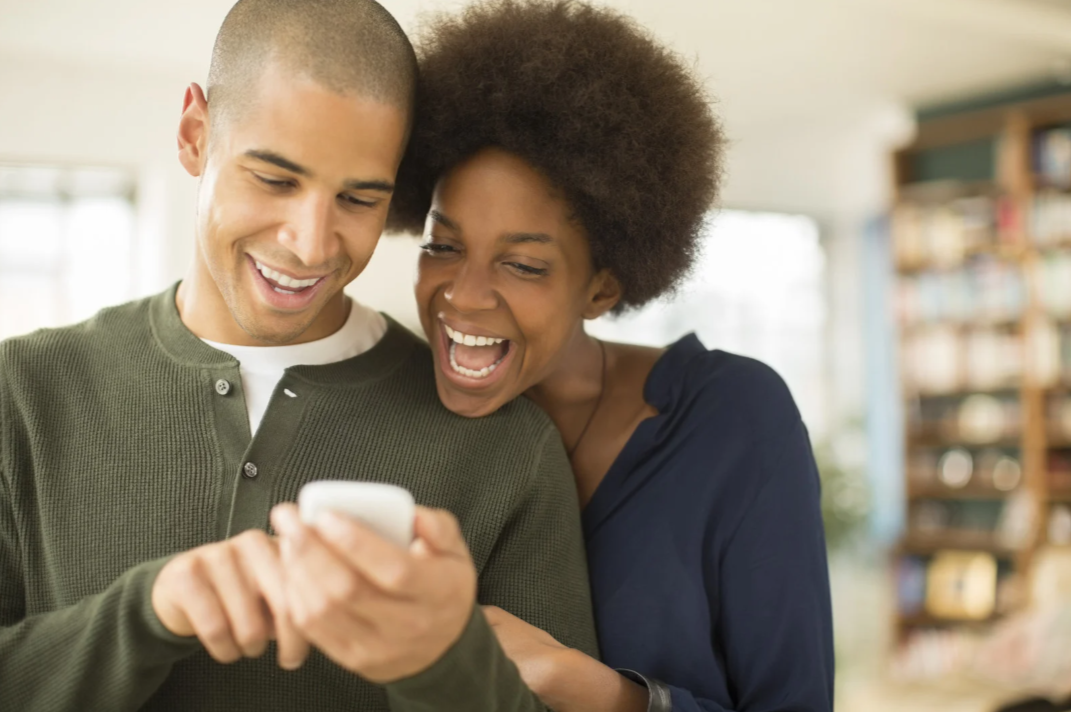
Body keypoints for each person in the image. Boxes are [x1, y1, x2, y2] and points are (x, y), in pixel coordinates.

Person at [0, 1, 598, 710]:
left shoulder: (508, 450)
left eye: (358, 199)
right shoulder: (23, 392)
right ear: (195, 135)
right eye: (276, 180)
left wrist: (443, 663)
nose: (311, 245)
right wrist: (147, 613)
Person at [389, 1, 836, 710]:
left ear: (601, 288)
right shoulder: (392, 414)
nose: (464, 297)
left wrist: (587, 687)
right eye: (443, 246)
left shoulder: (732, 421)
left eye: (523, 265)